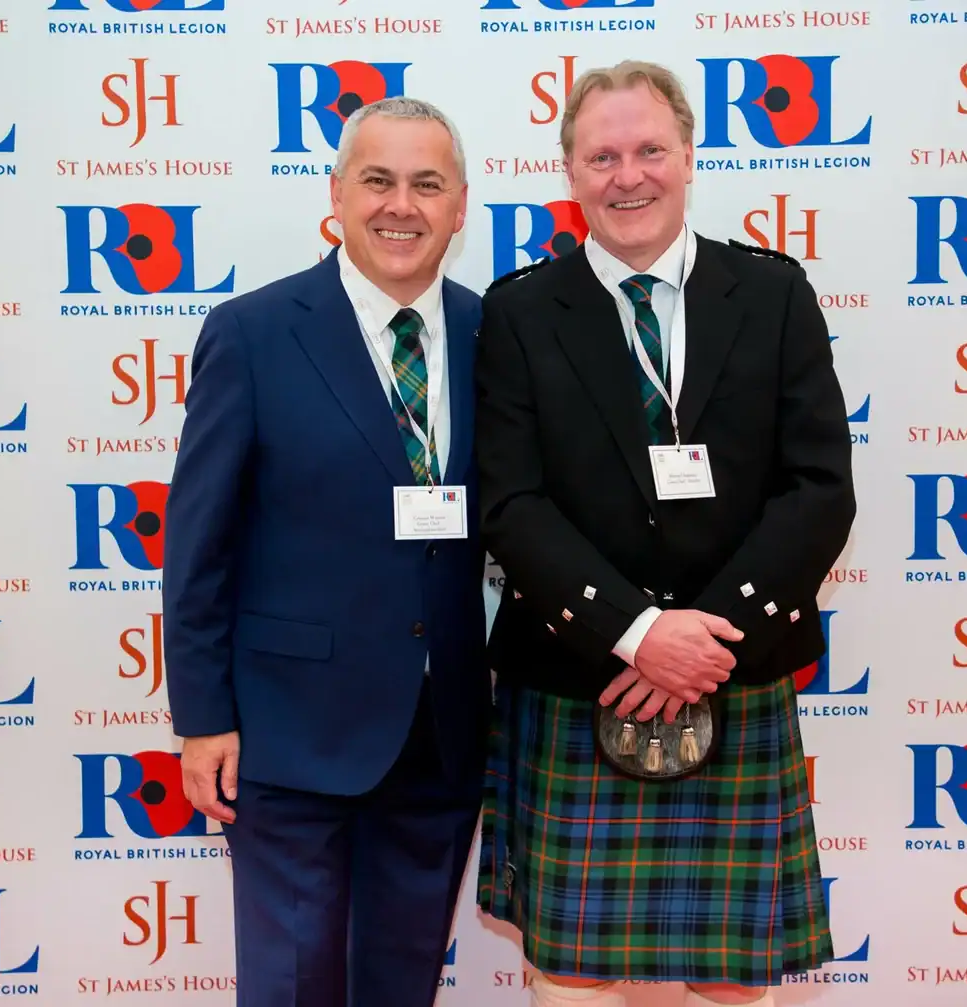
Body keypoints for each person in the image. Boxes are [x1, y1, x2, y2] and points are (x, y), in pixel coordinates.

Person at [473, 61, 856, 1007]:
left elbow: (820, 489)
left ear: (688, 156)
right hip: (577, 670)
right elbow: (510, 504)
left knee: (730, 975)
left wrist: (704, 639)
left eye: (649, 150)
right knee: (570, 967)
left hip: (738, 668)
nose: (627, 175)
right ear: (569, 172)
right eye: (601, 155)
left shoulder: (771, 293)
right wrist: (641, 634)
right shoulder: (520, 311)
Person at [161, 97, 490, 1007]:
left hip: (442, 731)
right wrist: (202, 716)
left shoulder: (491, 333)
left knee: (402, 983)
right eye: (378, 180)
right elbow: (198, 545)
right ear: (338, 195)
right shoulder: (254, 333)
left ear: (460, 207)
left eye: (428, 184)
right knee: (292, 985)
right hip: (286, 733)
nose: (402, 205)